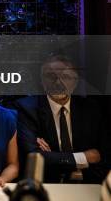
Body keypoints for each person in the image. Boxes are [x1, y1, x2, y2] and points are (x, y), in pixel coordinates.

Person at [15, 55, 110, 183]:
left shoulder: (91, 109)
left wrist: (53, 157)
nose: (58, 82)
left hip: (87, 183)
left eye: (66, 77)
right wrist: (84, 157)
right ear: (42, 81)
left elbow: (102, 155)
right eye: (51, 76)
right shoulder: (26, 108)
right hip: (47, 184)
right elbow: (34, 157)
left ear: (75, 82)